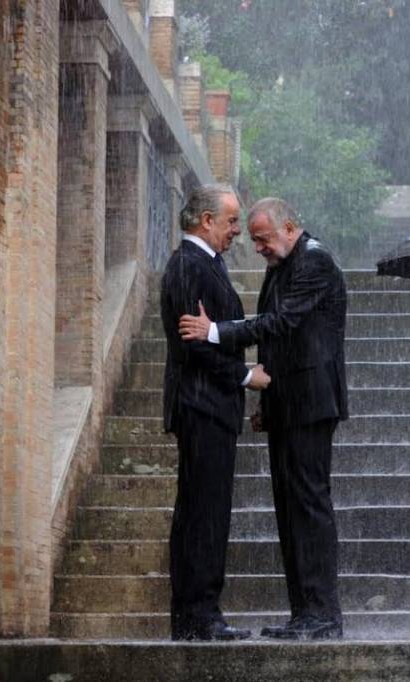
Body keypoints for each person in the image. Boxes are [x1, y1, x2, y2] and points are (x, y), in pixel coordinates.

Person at [178, 198, 348, 640]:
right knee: (289, 510)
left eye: (263, 238)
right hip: (287, 405)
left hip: (312, 404)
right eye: (253, 239)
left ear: (289, 227)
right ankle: (304, 613)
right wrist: (265, 406)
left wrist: (215, 331)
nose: (257, 248)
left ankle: (323, 614)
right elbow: (280, 345)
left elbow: (280, 323)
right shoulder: (284, 262)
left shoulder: (315, 261)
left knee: (309, 506)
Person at [160, 183, 270, 641]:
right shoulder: (189, 265)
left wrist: (222, 332)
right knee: (204, 513)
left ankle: (195, 614)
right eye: (230, 223)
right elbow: (195, 343)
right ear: (206, 220)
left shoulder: (203, 264)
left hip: (208, 409)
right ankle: (200, 615)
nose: (235, 233)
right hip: (202, 407)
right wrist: (247, 377)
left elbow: (210, 334)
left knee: (202, 510)